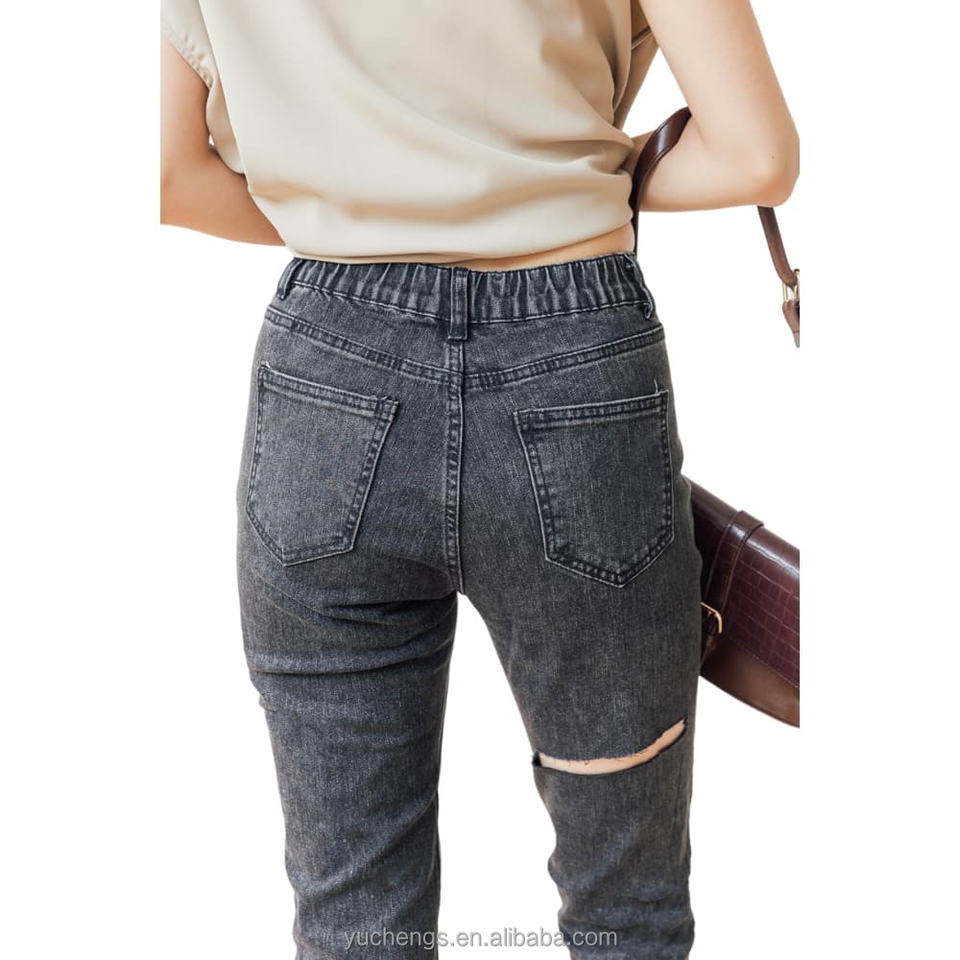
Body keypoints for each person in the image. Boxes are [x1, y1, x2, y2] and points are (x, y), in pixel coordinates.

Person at [160, 1, 798, 956]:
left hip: (330, 367)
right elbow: (756, 156)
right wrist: (570, 176)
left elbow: (168, 173)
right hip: (573, 357)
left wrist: (352, 208)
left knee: (353, 920)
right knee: (629, 912)